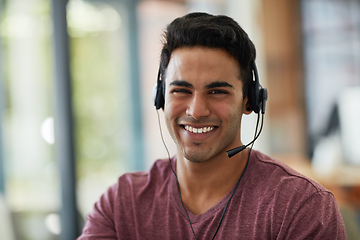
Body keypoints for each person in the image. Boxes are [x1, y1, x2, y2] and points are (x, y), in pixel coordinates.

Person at [78, 12, 347, 239]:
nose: (196, 111)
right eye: (181, 90)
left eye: (217, 92)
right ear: (160, 98)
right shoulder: (121, 205)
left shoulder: (300, 207)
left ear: (249, 101)